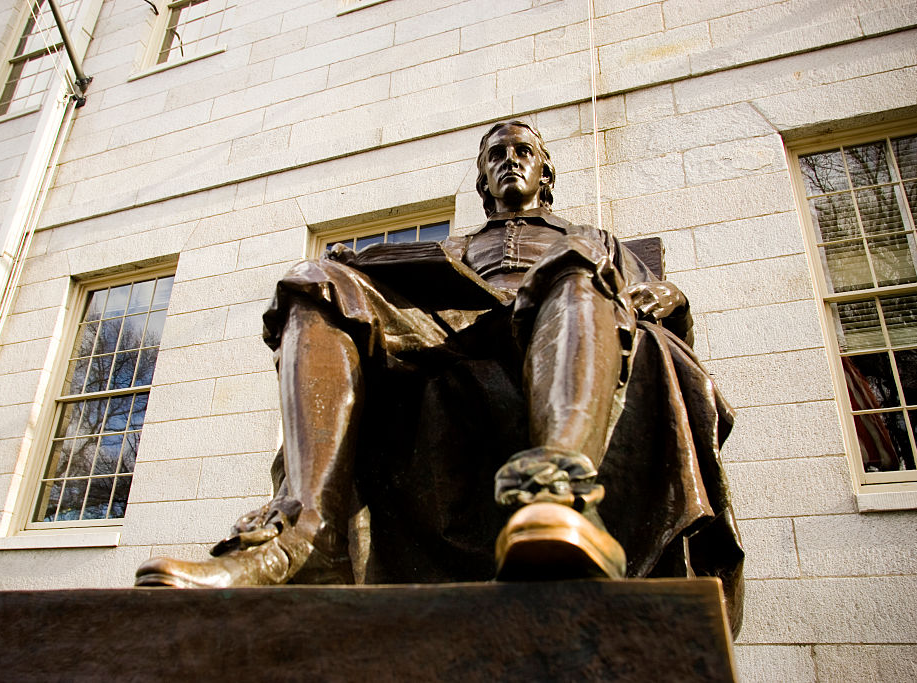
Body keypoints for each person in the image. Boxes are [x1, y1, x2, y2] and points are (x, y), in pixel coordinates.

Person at [137, 122, 743, 629]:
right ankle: (305, 537)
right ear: (482, 179)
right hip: (454, 337)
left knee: (576, 269)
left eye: (522, 152)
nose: (510, 162)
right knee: (316, 282)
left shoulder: (590, 239)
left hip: (560, 326)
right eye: (496, 156)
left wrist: (669, 293)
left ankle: (557, 500)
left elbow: (648, 303)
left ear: (545, 175)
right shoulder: (453, 248)